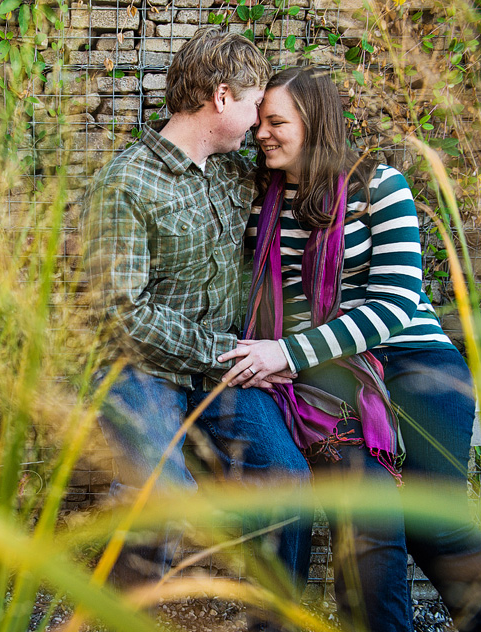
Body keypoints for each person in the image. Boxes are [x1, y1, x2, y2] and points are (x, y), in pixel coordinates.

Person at [219, 66, 481, 632]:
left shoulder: (380, 187)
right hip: (331, 373)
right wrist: (274, 356)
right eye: (259, 123)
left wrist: (286, 353)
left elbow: (396, 302)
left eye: (276, 122)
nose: (262, 134)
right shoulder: (264, 199)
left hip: (412, 357)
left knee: (437, 518)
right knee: (367, 508)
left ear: (315, 123)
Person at [80, 28, 313, 617]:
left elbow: (316, 186)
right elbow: (122, 316)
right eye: (256, 105)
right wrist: (223, 354)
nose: (261, 124)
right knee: (163, 494)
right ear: (223, 97)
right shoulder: (125, 184)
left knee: (288, 478)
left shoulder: (234, 175)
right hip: (140, 370)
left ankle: (272, 622)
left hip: (219, 368)